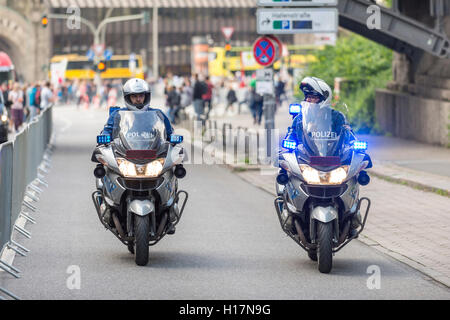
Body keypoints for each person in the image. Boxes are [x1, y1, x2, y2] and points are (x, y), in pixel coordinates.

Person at [100, 78, 173, 139]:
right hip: (123, 152)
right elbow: (107, 130)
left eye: (141, 96)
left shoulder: (158, 114)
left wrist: (172, 137)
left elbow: (169, 132)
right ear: (128, 98)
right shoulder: (117, 114)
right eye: (134, 96)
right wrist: (105, 136)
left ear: (146, 96)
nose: (138, 99)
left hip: (153, 151)